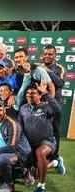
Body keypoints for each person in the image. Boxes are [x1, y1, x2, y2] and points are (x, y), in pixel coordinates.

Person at [18, 83, 61, 192]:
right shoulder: (23, 108)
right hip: (30, 144)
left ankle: (41, 187)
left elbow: (58, 111)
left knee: (40, 153)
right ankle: (55, 163)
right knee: (36, 173)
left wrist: (47, 93)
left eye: (33, 93)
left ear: (39, 95)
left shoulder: (47, 106)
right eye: (28, 93)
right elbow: (20, 127)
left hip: (47, 142)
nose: (30, 95)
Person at [41, 45, 65, 173]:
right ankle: (44, 158)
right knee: (43, 132)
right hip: (42, 105)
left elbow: (60, 83)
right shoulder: (39, 67)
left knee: (54, 132)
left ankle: (56, 158)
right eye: (45, 53)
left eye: (50, 54)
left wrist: (47, 71)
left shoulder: (59, 68)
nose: (47, 56)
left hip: (55, 105)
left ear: (55, 55)